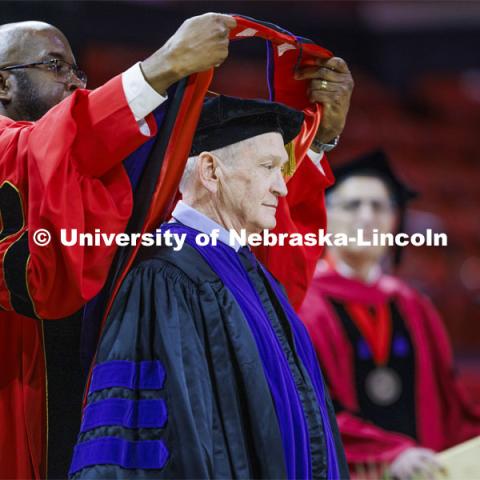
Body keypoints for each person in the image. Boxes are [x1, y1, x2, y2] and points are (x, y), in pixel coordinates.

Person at [0, 14, 237, 479]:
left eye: (77, 70)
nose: (75, 83)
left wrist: (314, 141)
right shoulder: (24, 149)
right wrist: (161, 68)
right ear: (3, 85)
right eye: (55, 66)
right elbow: (52, 146)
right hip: (16, 383)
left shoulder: (63, 159)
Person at [69, 95, 350, 479]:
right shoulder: (166, 277)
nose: (281, 189)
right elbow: (159, 436)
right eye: (268, 167)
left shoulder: (249, 270)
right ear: (211, 171)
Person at [299, 150, 480, 479]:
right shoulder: (304, 305)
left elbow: (450, 404)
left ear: (395, 221)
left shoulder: (413, 305)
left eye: (380, 206)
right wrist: (386, 453)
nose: (367, 217)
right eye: (353, 205)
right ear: (325, 216)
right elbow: (309, 409)